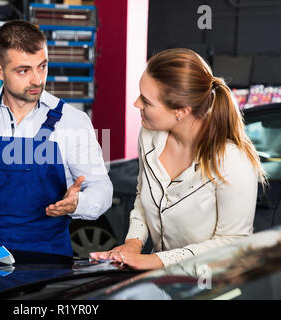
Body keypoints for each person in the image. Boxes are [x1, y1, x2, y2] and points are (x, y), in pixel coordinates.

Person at [0, 20, 113, 262]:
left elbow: (102, 188)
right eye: (23, 70)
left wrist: (79, 204)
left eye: (42, 66)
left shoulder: (72, 122)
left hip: (51, 263)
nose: (37, 79)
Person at [90, 48, 267, 270]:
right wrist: (133, 243)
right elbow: (142, 196)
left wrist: (155, 260)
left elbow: (232, 243)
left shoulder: (233, 162)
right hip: (165, 283)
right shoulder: (149, 135)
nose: (136, 104)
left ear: (181, 111)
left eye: (146, 100)